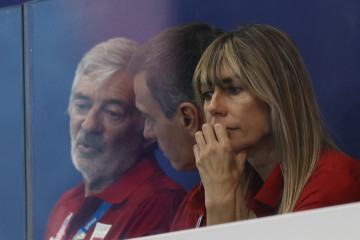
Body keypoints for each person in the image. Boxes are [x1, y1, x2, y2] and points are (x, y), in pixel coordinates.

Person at [192, 23, 360, 226]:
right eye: (207, 94)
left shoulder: (331, 184)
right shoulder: (238, 186)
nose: (213, 108)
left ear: (278, 97)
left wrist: (220, 202)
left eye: (233, 89)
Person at [45, 38, 186, 240]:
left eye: (112, 113)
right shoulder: (65, 203)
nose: (89, 125)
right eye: (81, 106)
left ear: (147, 128)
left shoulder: (159, 202)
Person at [128, 22, 223, 231]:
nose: (147, 133)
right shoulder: (191, 205)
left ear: (187, 118)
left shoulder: (284, 200)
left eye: (149, 118)